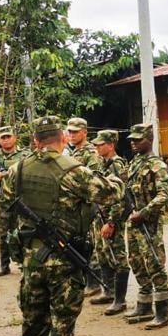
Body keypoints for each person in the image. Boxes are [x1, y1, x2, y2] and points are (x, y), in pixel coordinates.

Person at [0, 116, 123, 336]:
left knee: (34, 314)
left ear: (36, 141)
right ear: (63, 139)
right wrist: (115, 178)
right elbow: (110, 194)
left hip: (31, 259)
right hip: (63, 260)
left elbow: (5, 204)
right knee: (62, 317)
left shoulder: (17, 169)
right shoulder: (73, 171)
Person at [124, 124, 168, 328]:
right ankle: (144, 305)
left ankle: (163, 311)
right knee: (136, 261)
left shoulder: (157, 165)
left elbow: (165, 195)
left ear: (149, 140)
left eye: (138, 140)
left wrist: (143, 213)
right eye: (132, 140)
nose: (134, 143)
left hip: (148, 224)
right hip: (133, 223)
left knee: (154, 264)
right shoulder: (135, 162)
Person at [88, 130, 131, 316]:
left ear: (111, 145)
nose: (97, 147)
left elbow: (121, 198)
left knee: (117, 256)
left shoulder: (117, 165)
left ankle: (120, 300)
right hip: (100, 216)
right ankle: (108, 292)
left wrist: (112, 222)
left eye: (100, 144)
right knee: (103, 253)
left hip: (111, 218)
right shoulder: (103, 164)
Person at [64, 117, 102, 297]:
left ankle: (94, 284)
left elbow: (93, 180)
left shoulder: (90, 153)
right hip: (76, 207)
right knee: (80, 243)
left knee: (91, 244)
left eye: (75, 131)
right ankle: (85, 281)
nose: (71, 135)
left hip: (88, 205)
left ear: (85, 132)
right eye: (69, 131)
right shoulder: (74, 152)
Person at [0, 126, 30, 277]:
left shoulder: (25, 155)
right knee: (2, 233)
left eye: (8, 137)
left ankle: (24, 265)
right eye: (3, 138)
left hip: (22, 201)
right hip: (2, 201)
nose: (6, 140)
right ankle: (4, 266)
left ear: (15, 138)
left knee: (23, 233)